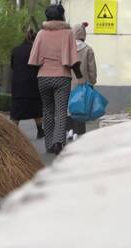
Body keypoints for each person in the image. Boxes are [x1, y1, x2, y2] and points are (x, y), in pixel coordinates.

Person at [29, 4, 84, 155]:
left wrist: (39, 76)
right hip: (62, 77)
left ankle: (48, 145)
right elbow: (73, 61)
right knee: (60, 111)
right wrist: (80, 78)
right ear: (61, 16)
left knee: (47, 111)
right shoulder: (68, 33)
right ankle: (58, 142)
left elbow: (33, 60)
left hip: (43, 78)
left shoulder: (40, 34)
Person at [10, 29, 45, 139]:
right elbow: (40, 66)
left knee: (16, 110)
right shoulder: (36, 50)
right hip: (33, 84)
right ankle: (40, 131)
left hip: (18, 84)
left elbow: (12, 66)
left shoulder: (15, 50)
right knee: (36, 109)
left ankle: (12, 133)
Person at [68, 22, 98, 136]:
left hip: (67, 82)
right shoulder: (88, 49)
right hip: (82, 83)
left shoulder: (68, 48)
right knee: (80, 107)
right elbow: (92, 68)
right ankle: (78, 132)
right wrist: (92, 81)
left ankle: (69, 130)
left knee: (68, 107)